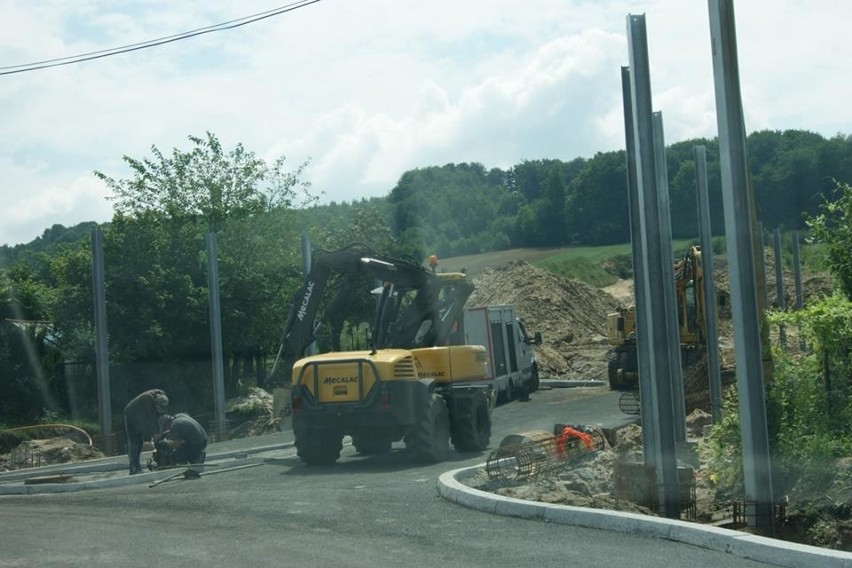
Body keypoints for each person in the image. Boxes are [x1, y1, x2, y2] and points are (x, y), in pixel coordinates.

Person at [123, 388, 169, 475]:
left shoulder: (161, 397)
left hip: (140, 417)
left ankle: (137, 468)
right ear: (155, 403)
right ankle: (134, 469)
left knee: (139, 442)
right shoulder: (148, 399)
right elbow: (152, 419)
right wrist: (156, 434)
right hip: (130, 415)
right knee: (134, 443)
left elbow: (162, 415)